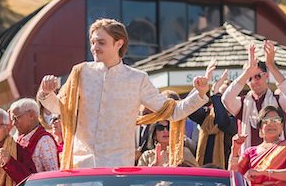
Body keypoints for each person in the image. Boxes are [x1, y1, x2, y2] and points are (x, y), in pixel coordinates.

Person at [37, 18, 208, 169]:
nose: (94, 47)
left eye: (101, 42)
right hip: (81, 166)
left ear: (119, 44)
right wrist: (46, 93)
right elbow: (61, 109)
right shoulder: (80, 72)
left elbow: (173, 112)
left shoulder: (137, 79)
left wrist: (199, 94)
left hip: (118, 170)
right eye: (93, 42)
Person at [223, 42, 286, 151]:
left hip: (275, 159)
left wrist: (271, 65)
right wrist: (246, 72)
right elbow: (226, 99)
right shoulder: (242, 104)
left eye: (257, 76)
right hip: (248, 161)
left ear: (266, 76)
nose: (254, 81)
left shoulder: (278, 101)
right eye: (249, 78)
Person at [189, 72, 237, 168]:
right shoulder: (207, 116)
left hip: (225, 171)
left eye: (225, 95)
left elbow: (222, 122)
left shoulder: (237, 118)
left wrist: (216, 95)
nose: (222, 99)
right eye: (220, 95)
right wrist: (199, 88)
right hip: (204, 169)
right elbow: (190, 109)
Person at [8, 98, 59, 174]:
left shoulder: (44, 140)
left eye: (16, 118)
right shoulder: (20, 139)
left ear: (31, 115)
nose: (14, 123)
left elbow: (53, 174)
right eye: (13, 119)